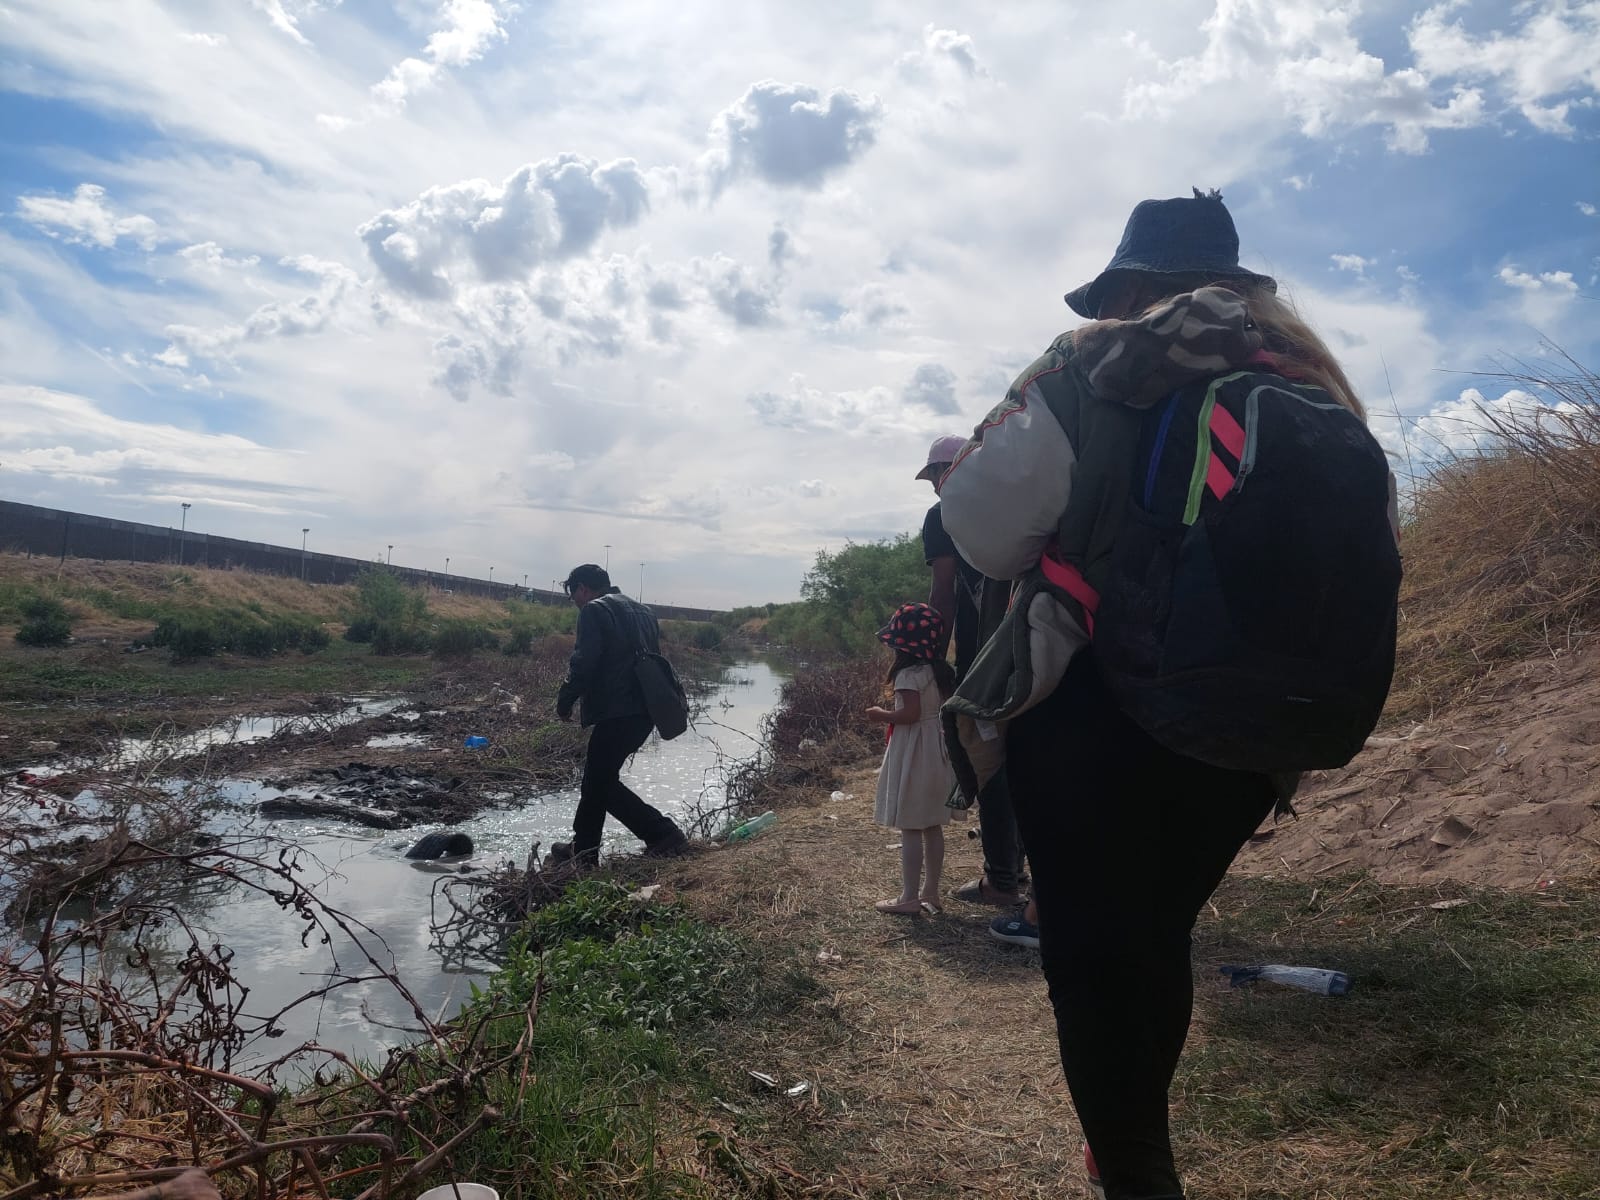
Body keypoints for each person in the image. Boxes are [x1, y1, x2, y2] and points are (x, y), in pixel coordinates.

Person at [939, 189, 1376, 1199]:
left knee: (1092, 957)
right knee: (1153, 934)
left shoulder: (1085, 364)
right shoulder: (1309, 381)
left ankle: (1135, 1171)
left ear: (1130, 287)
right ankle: (1135, 1146)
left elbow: (986, 529)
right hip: (1256, 735)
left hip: (1100, 710)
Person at [917, 437, 1029, 914]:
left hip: (984, 661)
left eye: (938, 475)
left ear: (949, 470)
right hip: (1036, 647)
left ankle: (1002, 880)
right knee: (1025, 757)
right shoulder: (1017, 501)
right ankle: (1016, 871)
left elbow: (942, 593)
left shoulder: (944, 516)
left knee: (990, 762)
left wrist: (930, 658)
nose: (938, 487)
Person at [550, 564, 689, 865]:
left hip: (617, 710)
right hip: (645, 710)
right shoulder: (644, 611)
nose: (575, 601)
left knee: (599, 782)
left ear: (583, 589)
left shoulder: (593, 610)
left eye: (574, 594)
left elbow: (584, 661)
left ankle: (662, 833)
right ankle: (583, 851)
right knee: (598, 781)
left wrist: (565, 700)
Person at [864, 603, 957, 915]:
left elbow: (910, 714)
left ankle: (908, 897)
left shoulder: (907, 675)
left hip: (914, 753)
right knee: (932, 825)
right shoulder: (940, 672)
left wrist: (880, 715)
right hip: (936, 751)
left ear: (903, 643)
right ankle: (931, 893)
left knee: (911, 826)